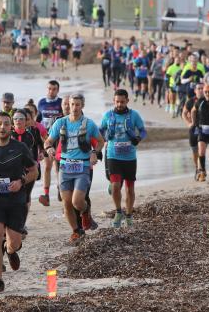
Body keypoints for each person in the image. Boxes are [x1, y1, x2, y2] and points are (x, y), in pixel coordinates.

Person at [0, 112, 38, 293]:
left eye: (6, 124)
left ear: (10, 127)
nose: (3, 127)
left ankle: (11, 251)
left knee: (14, 242)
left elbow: (34, 171)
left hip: (16, 200)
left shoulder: (19, 148)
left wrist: (20, 181)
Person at [45, 94, 105, 244]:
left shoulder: (89, 124)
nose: (74, 107)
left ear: (82, 106)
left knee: (77, 202)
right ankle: (76, 231)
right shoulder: (60, 123)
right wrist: (49, 148)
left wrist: (94, 153)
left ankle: (85, 211)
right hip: (65, 168)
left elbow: (100, 141)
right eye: (72, 104)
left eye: (78, 105)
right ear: (68, 105)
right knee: (66, 203)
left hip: (82, 167)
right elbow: (48, 140)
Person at [100, 89, 146, 228]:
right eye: (117, 101)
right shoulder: (108, 115)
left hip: (130, 158)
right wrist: (103, 139)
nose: (119, 104)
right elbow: (100, 130)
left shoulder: (134, 115)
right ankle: (118, 211)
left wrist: (138, 138)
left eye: (122, 101)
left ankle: (129, 215)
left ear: (127, 101)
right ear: (114, 101)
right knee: (115, 187)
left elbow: (143, 130)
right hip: (113, 156)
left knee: (130, 189)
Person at [37, 81, 63, 207]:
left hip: (58, 138)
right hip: (46, 138)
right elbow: (38, 120)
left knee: (58, 166)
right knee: (47, 166)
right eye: (49, 89)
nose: (51, 91)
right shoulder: (41, 102)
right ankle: (46, 194)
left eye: (54, 89)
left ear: (58, 90)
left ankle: (60, 188)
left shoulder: (61, 102)